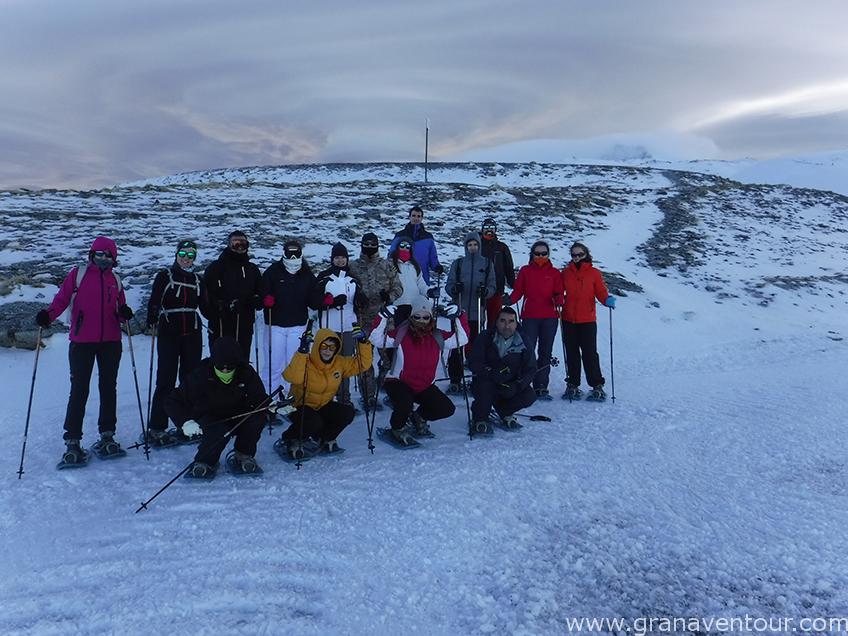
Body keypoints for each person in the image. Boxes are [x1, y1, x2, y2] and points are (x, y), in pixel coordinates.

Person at [35, 236, 133, 464]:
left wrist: (125, 313)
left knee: (109, 387)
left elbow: (120, 308)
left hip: (110, 341)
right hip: (82, 342)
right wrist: (47, 316)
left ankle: (107, 435)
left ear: (113, 258)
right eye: (99, 254)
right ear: (92, 255)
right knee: (79, 390)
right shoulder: (77, 275)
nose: (103, 258)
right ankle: (72, 441)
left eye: (107, 255)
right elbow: (61, 300)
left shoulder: (115, 280)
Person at [165, 336, 272, 477]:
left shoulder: (246, 372)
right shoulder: (200, 374)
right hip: (211, 417)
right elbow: (172, 400)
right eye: (221, 367)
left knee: (256, 419)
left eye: (230, 367)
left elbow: (259, 398)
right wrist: (185, 422)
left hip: (238, 415)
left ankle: (243, 454)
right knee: (217, 432)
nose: (226, 371)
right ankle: (205, 461)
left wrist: (272, 406)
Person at [368, 296, 467, 446]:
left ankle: (418, 417)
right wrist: (382, 316)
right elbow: (376, 339)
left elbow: (462, 339)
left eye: (426, 317)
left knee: (446, 408)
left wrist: (460, 317)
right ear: (411, 316)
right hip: (398, 382)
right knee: (405, 402)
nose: (421, 320)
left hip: (424, 385)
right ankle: (397, 428)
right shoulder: (401, 334)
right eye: (417, 316)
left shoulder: (438, 335)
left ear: (431, 317)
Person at [145, 239, 209, 446]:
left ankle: (187, 423)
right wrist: (152, 316)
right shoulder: (165, 276)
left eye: (191, 255)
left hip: (192, 331)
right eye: (183, 253)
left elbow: (206, 306)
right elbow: (155, 299)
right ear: (176, 253)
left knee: (190, 379)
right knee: (166, 378)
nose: (186, 258)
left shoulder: (198, 280)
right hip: (169, 331)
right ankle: (157, 426)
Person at [278, 325, 373, 459]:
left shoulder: (339, 363)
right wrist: (301, 352)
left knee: (347, 413)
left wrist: (363, 343)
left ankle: (324, 437)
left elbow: (363, 364)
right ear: (317, 346)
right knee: (313, 421)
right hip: (298, 406)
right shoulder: (305, 360)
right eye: (324, 346)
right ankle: (289, 438)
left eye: (332, 347)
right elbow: (291, 377)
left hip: (322, 405)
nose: (327, 351)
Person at [348, 232, 402, 408]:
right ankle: (368, 395)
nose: (370, 247)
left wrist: (390, 296)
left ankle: (385, 383)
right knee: (365, 360)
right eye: (367, 244)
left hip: (385, 320)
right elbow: (346, 288)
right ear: (362, 245)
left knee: (389, 359)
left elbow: (398, 287)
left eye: (373, 244)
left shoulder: (387, 265)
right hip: (362, 320)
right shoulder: (353, 266)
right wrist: (356, 297)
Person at [506, 240, 564, 400]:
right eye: (537, 253)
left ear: (548, 254)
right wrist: (509, 300)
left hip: (549, 317)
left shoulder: (554, 273)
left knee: (545, 352)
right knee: (528, 350)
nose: (540, 256)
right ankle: (524, 383)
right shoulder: (525, 271)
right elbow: (518, 291)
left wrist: (559, 299)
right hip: (530, 316)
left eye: (543, 253)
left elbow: (559, 291)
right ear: (532, 254)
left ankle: (541, 385)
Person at [310, 242, 367, 406]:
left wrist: (360, 300)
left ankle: (344, 399)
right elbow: (313, 301)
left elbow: (359, 300)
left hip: (349, 326)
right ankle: (328, 398)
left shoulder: (353, 279)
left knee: (346, 364)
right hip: (329, 328)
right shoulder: (324, 277)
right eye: (337, 257)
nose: (340, 261)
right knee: (328, 364)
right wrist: (330, 302)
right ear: (332, 259)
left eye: (343, 257)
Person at [259, 239, 317, 397]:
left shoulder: (306, 273)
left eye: (296, 254)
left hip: (298, 325)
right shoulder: (273, 271)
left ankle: (291, 397)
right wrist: (266, 299)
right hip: (275, 325)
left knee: (294, 365)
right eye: (289, 253)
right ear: (284, 253)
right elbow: (262, 291)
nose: (292, 258)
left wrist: (322, 300)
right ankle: (270, 399)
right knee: (274, 365)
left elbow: (313, 298)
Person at [560, 242, 617, 401]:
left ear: (586, 254)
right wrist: (558, 299)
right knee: (571, 353)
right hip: (568, 318)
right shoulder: (565, 273)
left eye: (580, 254)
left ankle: (597, 385)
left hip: (587, 319)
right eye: (574, 255)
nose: (577, 258)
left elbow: (600, 291)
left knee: (589, 353)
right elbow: (559, 291)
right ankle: (573, 384)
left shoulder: (594, 273)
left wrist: (607, 300)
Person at [468, 306, 537, 433]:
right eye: (502, 321)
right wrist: (490, 373)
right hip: (487, 381)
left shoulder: (524, 341)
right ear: (496, 322)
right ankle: (480, 418)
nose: (507, 326)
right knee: (485, 388)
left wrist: (517, 386)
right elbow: (474, 362)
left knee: (529, 395)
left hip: (509, 384)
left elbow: (531, 368)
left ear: (517, 323)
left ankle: (504, 411)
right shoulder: (485, 337)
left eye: (511, 321)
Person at [445, 231, 495, 393]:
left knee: (477, 348)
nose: (472, 248)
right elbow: (449, 285)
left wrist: (485, 292)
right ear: (466, 247)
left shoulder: (487, 264)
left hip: (478, 312)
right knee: (457, 346)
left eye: (475, 245)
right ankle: (455, 379)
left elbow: (492, 286)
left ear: (479, 246)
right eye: (470, 245)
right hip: (460, 312)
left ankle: (477, 379)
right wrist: (454, 289)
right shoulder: (458, 264)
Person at [203, 230, 262, 359]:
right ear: (229, 245)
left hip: (244, 324)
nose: (240, 246)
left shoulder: (252, 269)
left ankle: (243, 379)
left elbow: (260, 293)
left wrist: (257, 301)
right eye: (235, 242)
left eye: (243, 243)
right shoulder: (216, 268)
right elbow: (206, 295)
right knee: (220, 360)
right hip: (221, 324)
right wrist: (220, 308)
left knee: (242, 359)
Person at [388, 205, 443, 284]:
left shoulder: (428, 238)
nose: (416, 218)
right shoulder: (400, 236)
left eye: (418, 216)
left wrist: (437, 267)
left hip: (423, 278)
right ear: (409, 217)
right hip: (401, 278)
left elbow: (433, 257)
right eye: (413, 215)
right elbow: (392, 255)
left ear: (421, 218)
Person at [479, 218, 516, 325]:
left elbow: (509, 267)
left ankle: (493, 339)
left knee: (494, 320)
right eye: (486, 228)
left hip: (497, 289)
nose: (489, 230)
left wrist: (512, 282)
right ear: (482, 230)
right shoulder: (477, 246)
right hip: (479, 289)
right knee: (478, 320)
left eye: (492, 228)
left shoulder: (502, 247)